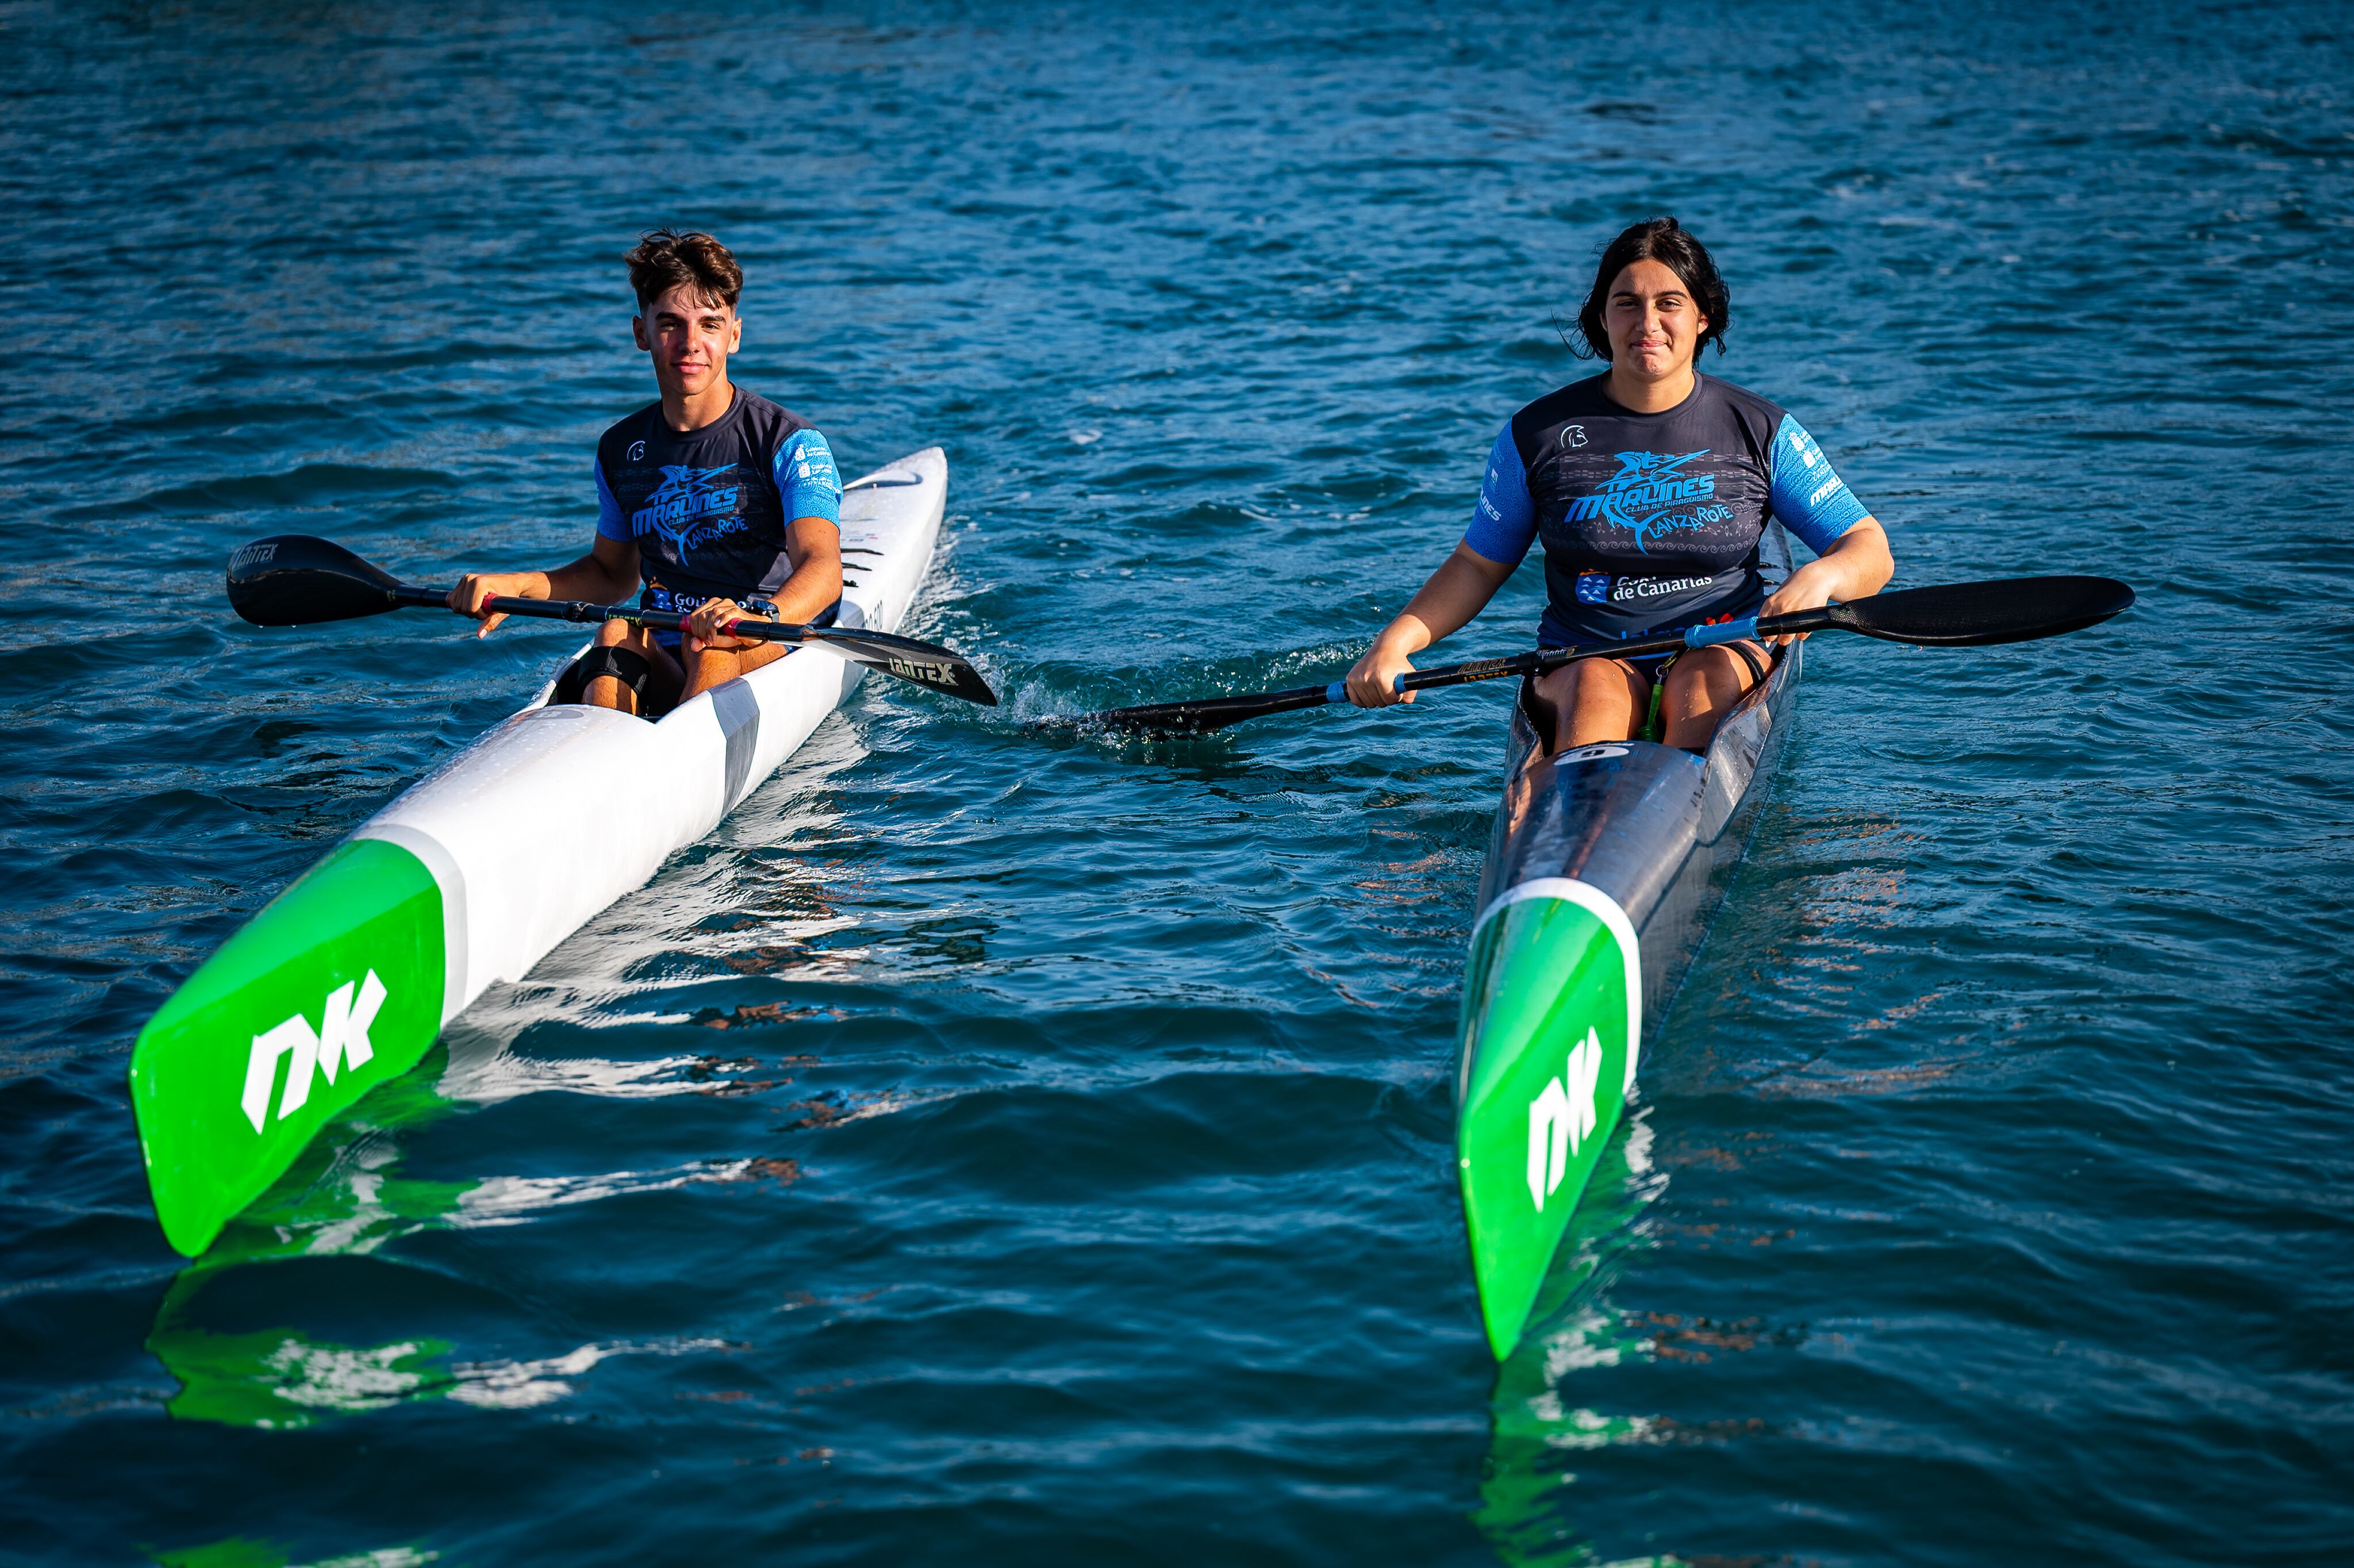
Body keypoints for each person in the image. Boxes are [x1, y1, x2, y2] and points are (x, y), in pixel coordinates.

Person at [1344, 217, 1894, 752]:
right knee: (1593, 693)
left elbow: (1868, 548)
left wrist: (1820, 577)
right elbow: (1477, 564)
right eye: (1626, 303)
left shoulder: (1760, 431)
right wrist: (1396, 642)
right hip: (1585, 653)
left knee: (1703, 683)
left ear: (1703, 316)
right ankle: (1574, 816)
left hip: (1722, 642)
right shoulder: (1536, 435)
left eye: (1668, 303)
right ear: (1601, 319)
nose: (1647, 322)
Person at [446, 229, 843, 717]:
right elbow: (611, 575)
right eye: (671, 324)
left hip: (761, 637)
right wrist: (518, 586)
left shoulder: (788, 442)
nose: (691, 344)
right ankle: (603, 748)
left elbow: (823, 570)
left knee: (711, 646)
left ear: (734, 335)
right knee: (615, 628)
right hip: (670, 642)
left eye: (710, 325)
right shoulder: (620, 449)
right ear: (641, 333)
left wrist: (759, 615)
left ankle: (681, 770)